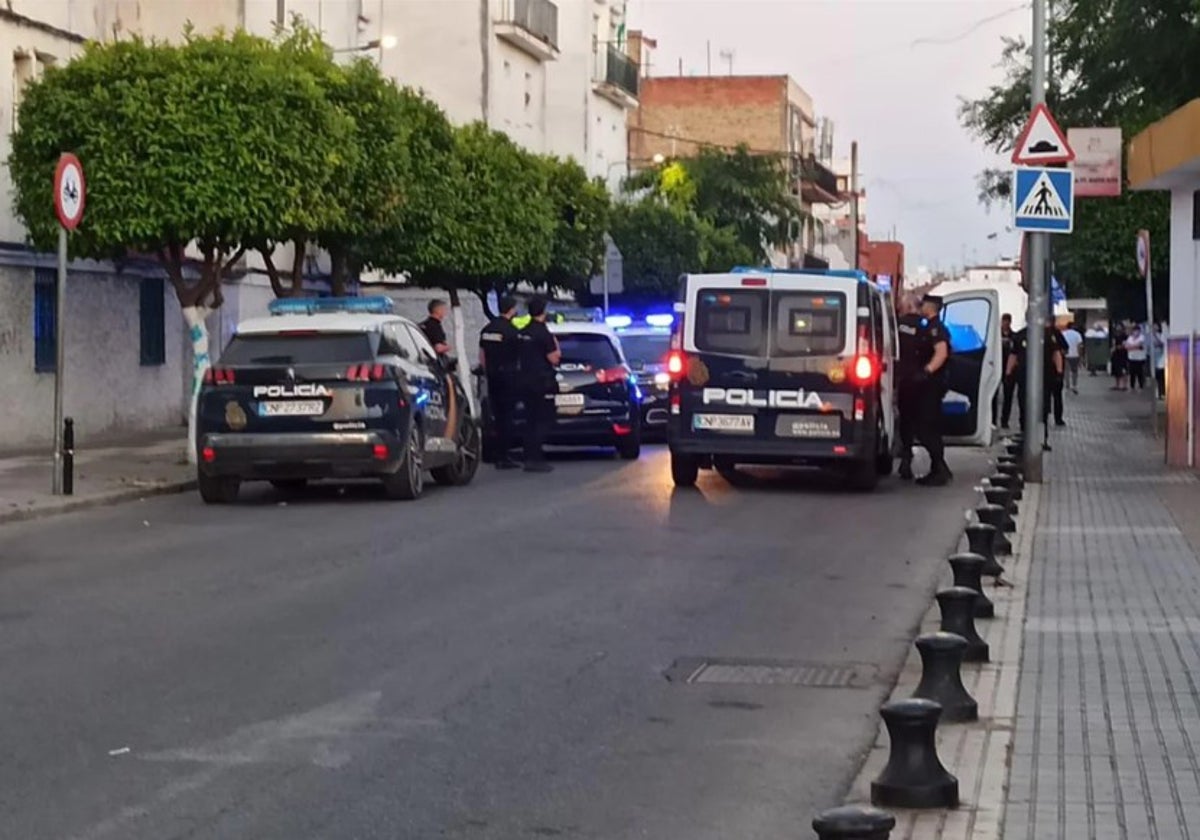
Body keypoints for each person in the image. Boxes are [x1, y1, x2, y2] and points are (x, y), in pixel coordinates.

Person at [897, 293, 953, 486]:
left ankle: (939, 470)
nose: (921, 306)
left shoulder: (936, 327)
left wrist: (927, 371)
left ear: (932, 307)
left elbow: (942, 352)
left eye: (924, 304)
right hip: (918, 384)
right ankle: (940, 467)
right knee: (921, 424)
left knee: (926, 425)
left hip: (929, 384)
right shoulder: (925, 325)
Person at [517, 295, 561, 473]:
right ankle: (535, 457)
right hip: (542, 382)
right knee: (543, 419)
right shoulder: (543, 333)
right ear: (543, 312)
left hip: (524, 380)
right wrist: (556, 345)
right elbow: (554, 358)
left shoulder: (523, 332)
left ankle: (529, 455)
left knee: (530, 419)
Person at [479, 295, 522, 470]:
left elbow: (482, 355)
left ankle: (497, 453)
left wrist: (486, 370)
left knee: (495, 415)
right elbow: (519, 356)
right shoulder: (511, 331)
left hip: (492, 377)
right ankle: (504, 455)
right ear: (511, 309)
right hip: (508, 377)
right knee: (507, 417)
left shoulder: (487, 329)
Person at [1007, 322, 1064, 451]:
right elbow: (1013, 355)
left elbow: (1056, 354)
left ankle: (1041, 439)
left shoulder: (1047, 334)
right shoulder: (1020, 335)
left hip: (1044, 378)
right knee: (1024, 408)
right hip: (1024, 378)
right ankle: (1025, 438)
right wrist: (1008, 373)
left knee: (1042, 411)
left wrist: (1059, 372)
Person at [999, 313, 1018, 428]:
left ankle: (1004, 420)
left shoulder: (1014, 336)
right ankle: (992, 420)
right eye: (1004, 321)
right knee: (993, 397)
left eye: (1007, 321)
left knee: (1008, 396)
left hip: (1009, 369)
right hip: (997, 366)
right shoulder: (995, 335)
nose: (1005, 323)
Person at [1049, 324, 1069, 427]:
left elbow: (1065, 348)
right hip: (1048, 371)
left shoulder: (1056, 333)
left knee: (1057, 396)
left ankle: (1058, 417)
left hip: (1055, 371)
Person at [1061, 320, 1083, 393]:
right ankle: (1074, 385)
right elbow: (1079, 346)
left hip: (1066, 355)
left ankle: (1067, 385)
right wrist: (1080, 356)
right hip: (1075, 355)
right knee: (1074, 371)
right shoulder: (1077, 334)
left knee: (1066, 371)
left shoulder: (1063, 334)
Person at [1125, 324, 1148, 391]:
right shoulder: (1130, 338)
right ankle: (1132, 386)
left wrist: (1131, 347)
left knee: (1140, 373)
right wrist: (1134, 347)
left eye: (1137, 331)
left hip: (1140, 358)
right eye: (1134, 331)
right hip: (1132, 358)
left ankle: (1141, 385)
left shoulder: (1142, 337)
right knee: (1132, 373)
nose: (1136, 332)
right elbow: (1126, 347)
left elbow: (1139, 345)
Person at [1110, 324, 1128, 390]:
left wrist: (1117, 347)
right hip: (1115, 355)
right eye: (1117, 327)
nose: (1118, 328)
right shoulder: (1114, 336)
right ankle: (1117, 385)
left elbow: (1125, 344)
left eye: (1119, 327)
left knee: (1123, 370)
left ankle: (1124, 385)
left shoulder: (1125, 336)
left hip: (1122, 354)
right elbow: (1113, 344)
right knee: (1116, 370)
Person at [1153, 322, 1167, 399]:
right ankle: (1160, 393)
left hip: (1161, 360)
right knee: (1159, 378)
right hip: (1158, 360)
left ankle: (1162, 393)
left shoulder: (1161, 335)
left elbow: (1161, 344)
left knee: (1161, 377)